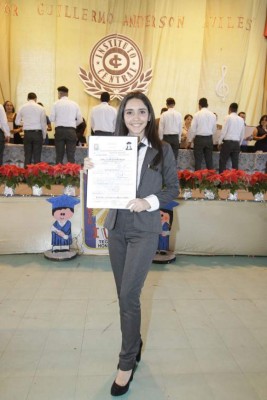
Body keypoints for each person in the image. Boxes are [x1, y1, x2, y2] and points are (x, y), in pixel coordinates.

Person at [84, 91, 179, 396]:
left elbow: (173, 188)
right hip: (117, 227)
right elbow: (101, 186)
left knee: (128, 294)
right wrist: (89, 170)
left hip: (144, 230)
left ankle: (126, 363)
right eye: (129, 112)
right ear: (121, 116)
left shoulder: (162, 150)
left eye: (141, 112)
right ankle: (134, 343)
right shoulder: (111, 148)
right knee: (123, 295)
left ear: (150, 116)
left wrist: (149, 202)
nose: (135, 118)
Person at [50, 86, 83, 163]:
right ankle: (71, 174)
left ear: (60, 93)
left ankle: (58, 174)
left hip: (59, 131)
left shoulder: (55, 104)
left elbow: (51, 119)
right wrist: (73, 125)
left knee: (59, 155)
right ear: (67, 94)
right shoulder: (75, 104)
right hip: (71, 131)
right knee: (71, 155)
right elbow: (80, 120)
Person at [15, 93, 47, 167]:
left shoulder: (22, 107)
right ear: (35, 99)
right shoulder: (41, 108)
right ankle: (36, 177)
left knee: (27, 156)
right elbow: (43, 124)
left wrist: (25, 122)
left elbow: (16, 122)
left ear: (27, 99)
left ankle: (26, 176)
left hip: (27, 134)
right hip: (37, 134)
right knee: (37, 156)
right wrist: (44, 136)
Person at [187, 97, 217, 170]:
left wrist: (189, 141)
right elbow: (214, 129)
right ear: (207, 105)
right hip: (209, 139)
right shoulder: (213, 115)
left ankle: (197, 179)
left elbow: (193, 129)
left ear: (199, 105)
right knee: (209, 160)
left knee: (198, 161)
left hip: (199, 139)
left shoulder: (197, 114)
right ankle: (211, 179)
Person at [218, 103, 245, 173]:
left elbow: (224, 131)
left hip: (228, 143)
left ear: (229, 109)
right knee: (235, 164)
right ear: (236, 110)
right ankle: (234, 182)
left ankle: (222, 182)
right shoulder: (241, 120)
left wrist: (219, 142)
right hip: (236, 143)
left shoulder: (228, 117)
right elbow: (242, 134)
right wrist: (239, 144)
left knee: (223, 162)